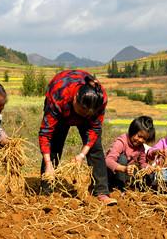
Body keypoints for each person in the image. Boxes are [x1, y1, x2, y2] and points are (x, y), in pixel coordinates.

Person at [39, 70, 117, 205]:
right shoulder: (59, 96)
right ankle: (46, 190)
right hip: (62, 105)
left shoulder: (99, 98)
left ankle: (101, 191)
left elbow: (94, 130)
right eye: (81, 111)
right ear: (75, 98)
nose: (82, 116)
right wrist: (48, 163)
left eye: (87, 114)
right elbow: (46, 133)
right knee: (55, 145)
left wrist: (81, 155)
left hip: (85, 106)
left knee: (96, 149)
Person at [106, 116, 155, 191]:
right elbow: (108, 161)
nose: (140, 140)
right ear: (132, 131)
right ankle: (119, 188)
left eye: (144, 139)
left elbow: (142, 163)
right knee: (122, 158)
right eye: (139, 136)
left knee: (142, 172)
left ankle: (137, 187)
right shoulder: (122, 141)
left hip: (126, 175)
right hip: (111, 174)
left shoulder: (141, 147)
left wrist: (147, 167)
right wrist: (124, 168)